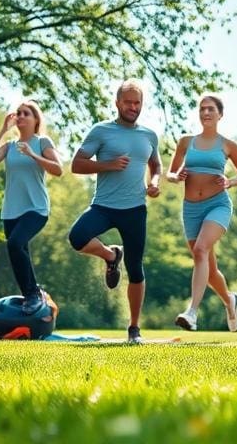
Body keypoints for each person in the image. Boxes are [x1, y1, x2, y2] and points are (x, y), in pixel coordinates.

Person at [68, 80, 161, 344]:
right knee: (77, 237)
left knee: (135, 268)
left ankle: (134, 329)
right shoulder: (101, 131)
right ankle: (111, 254)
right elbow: (77, 164)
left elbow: (156, 166)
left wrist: (154, 183)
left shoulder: (149, 135)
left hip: (135, 209)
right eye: (128, 102)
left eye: (137, 103)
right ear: (117, 103)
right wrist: (108, 164)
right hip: (104, 206)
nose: (133, 107)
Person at [166, 94, 237, 331]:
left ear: (220, 114)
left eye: (211, 109)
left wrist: (231, 182)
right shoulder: (186, 142)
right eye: (202, 109)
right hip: (191, 209)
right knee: (208, 267)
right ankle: (230, 300)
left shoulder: (227, 145)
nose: (206, 113)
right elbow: (170, 173)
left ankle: (192, 312)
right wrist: (177, 177)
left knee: (201, 249)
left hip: (218, 205)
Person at [0, 99, 63, 313]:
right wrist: (2, 132)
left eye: (26, 113)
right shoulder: (9, 147)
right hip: (10, 211)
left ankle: (33, 293)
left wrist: (33, 155)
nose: (21, 116)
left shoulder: (42, 142)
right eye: (19, 113)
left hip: (36, 208)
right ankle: (31, 294)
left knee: (16, 243)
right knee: (16, 249)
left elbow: (58, 169)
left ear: (36, 119)